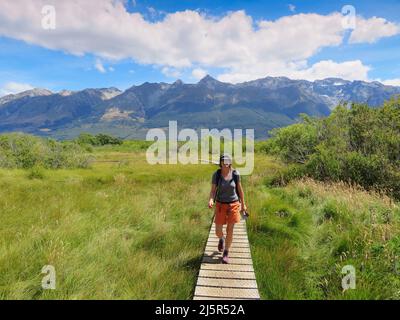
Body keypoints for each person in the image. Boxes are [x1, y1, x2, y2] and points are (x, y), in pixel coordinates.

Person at [208, 154, 247, 264]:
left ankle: (226, 252)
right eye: (223, 161)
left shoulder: (235, 174)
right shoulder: (216, 175)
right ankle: (222, 239)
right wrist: (211, 199)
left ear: (230, 162)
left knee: (230, 229)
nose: (225, 163)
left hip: (233, 204)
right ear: (220, 163)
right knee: (218, 231)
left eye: (228, 161)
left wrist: (243, 204)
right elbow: (213, 191)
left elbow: (240, 190)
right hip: (220, 205)